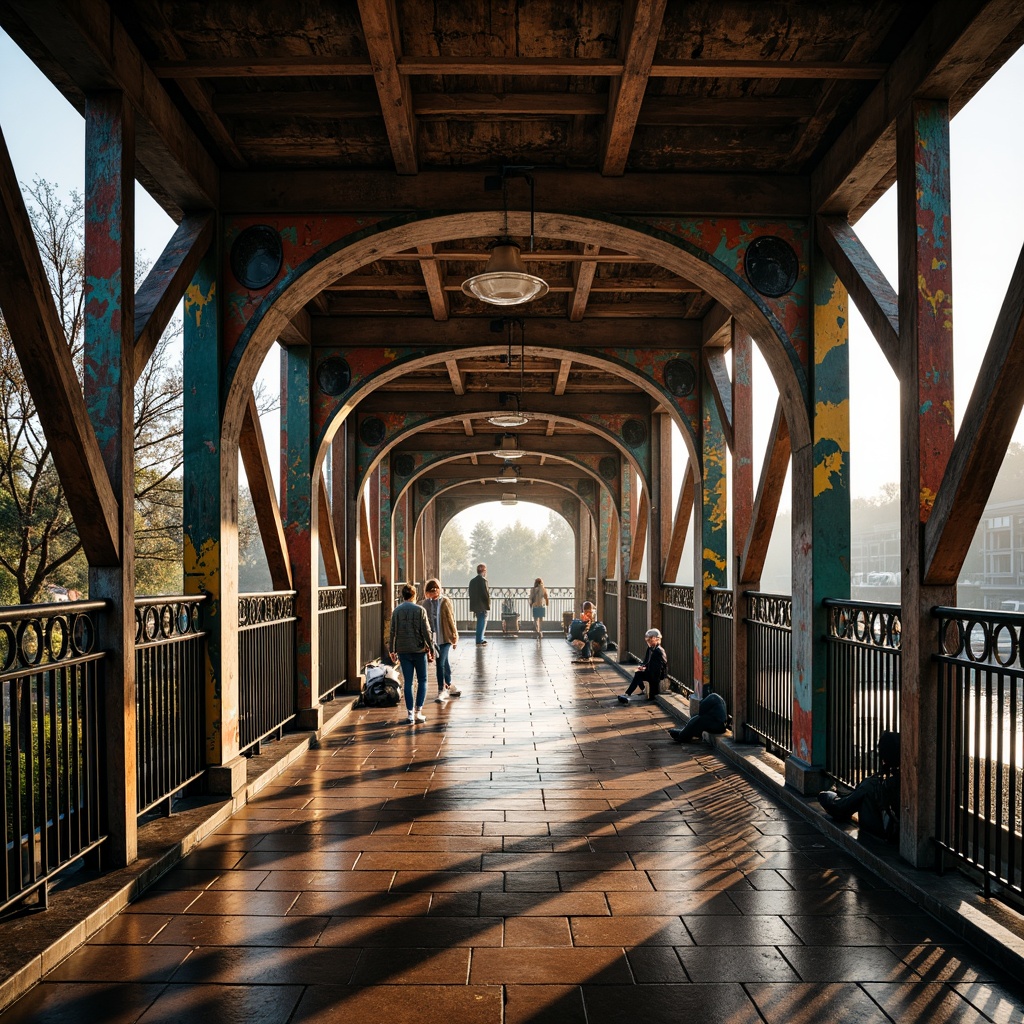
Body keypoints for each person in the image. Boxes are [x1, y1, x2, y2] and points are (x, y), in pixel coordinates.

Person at [817, 731, 900, 841]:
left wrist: (827, 796)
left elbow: (840, 808)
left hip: (882, 835)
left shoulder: (874, 784)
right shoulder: (907, 781)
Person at [388, 583, 435, 724]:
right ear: (414, 595)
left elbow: (392, 632)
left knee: (408, 682)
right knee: (422, 680)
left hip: (403, 650)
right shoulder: (420, 610)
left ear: (403, 595)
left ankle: (409, 714)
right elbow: (426, 632)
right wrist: (431, 649)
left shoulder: (396, 611)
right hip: (419, 650)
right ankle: (418, 712)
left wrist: (392, 650)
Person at [421, 578, 460, 703]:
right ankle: (449, 684)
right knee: (444, 661)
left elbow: (450, 618)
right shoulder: (426, 604)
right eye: (430, 593)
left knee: (440, 662)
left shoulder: (445, 601)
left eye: (434, 592)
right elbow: (424, 622)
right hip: (433, 638)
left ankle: (441, 689)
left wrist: (454, 636)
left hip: (445, 637)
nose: (432, 595)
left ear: (438, 590)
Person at [617, 628, 667, 703]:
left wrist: (646, 669)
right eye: (647, 640)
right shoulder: (650, 649)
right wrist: (642, 667)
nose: (648, 642)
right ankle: (637, 691)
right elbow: (647, 662)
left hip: (657, 675)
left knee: (639, 675)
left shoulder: (659, 651)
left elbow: (659, 668)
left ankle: (628, 693)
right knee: (638, 673)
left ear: (655, 639)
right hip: (651, 672)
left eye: (649, 640)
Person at [468, 563, 490, 645]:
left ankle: (479, 638)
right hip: (482, 606)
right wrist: (487, 605)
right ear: (484, 571)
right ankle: (479, 639)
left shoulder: (472, 581)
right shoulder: (484, 581)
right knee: (482, 623)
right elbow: (486, 594)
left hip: (475, 605)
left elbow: (470, 593)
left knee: (479, 622)